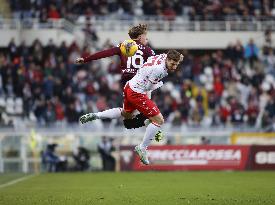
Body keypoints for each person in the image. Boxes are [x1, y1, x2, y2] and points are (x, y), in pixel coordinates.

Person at [80, 50, 184, 165]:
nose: (174, 67)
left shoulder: (164, 56)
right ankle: (142, 147)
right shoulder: (160, 70)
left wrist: (179, 58)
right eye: (172, 64)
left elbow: (176, 59)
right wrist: (160, 84)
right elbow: (148, 87)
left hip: (130, 85)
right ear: (167, 60)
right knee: (159, 120)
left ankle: (96, 115)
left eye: (176, 64)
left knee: (126, 114)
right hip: (138, 92)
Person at [75, 24, 160, 134]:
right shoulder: (148, 51)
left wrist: (86, 59)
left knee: (127, 113)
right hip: (141, 83)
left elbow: (105, 53)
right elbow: (156, 68)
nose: (147, 39)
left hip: (127, 84)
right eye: (145, 36)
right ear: (140, 37)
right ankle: (154, 131)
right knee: (145, 113)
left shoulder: (122, 46)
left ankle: (96, 115)